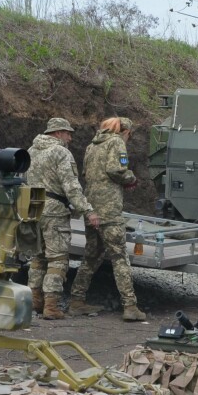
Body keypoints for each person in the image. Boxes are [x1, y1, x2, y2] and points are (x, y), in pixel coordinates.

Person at [68, 117, 147, 322]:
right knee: (119, 257)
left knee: (91, 256)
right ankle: (130, 306)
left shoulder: (91, 147)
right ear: (125, 131)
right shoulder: (116, 142)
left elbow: (85, 173)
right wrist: (130, 178)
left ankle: (76, 300)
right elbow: (116, 169)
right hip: (109, 210)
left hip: (91, 207)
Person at [26, 117, 99, 320]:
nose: (70, 137)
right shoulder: (60, 152)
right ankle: (51, 306)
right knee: (57, 259)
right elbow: (71, 186)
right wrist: (88, 210)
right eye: (68, 133)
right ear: (57, 133)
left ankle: (34, 300)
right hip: (54, 211)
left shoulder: (32, 150)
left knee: (38, 257)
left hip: (32, 207)